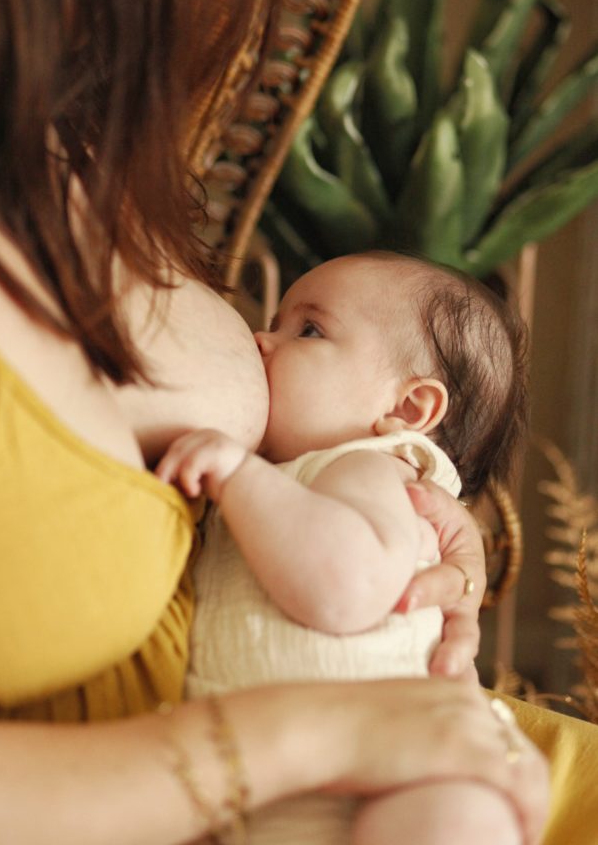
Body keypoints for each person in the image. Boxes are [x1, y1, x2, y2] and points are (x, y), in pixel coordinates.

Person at [0, 0, 584, 843]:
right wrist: (321, 733)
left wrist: (438, 539)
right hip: (309, 779)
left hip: (435, 747)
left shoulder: (89, 164)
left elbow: (342, 522)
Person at [157, 250, 529, 844]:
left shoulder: (367, 470)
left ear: (406, 409)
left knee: (458, 818)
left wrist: (235, 475)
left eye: (308, 329)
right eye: (276, 321)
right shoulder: (289, 477)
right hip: (265, 786)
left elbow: (344, 591)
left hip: (384, 785)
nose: (261, 339)